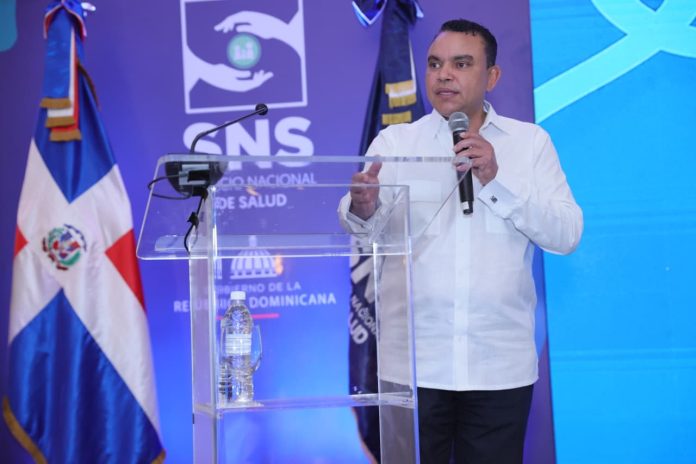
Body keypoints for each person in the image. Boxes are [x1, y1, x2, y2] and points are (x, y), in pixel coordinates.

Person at [338, 19, 583, 464]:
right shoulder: (395, 142)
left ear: (492, 76)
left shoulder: (530, 144)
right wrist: (363, 206)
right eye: (435, 64)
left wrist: (496, 181)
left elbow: (566, 234)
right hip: (413, 368)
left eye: (461, 64)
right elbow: (360, 228)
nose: (444, 74)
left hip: (499, 365)